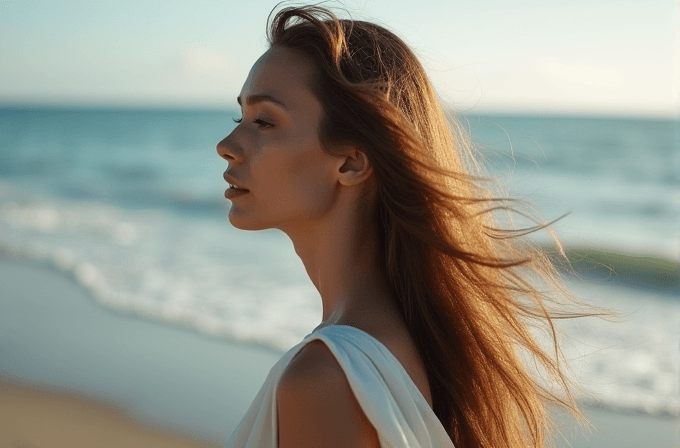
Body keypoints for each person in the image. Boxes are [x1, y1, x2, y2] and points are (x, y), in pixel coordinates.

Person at [217, 5, 602, 448]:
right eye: (239, 119)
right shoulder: (392, 344)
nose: (227, 145)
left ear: (352, 160)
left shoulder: (324, 380)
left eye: (263, 121)